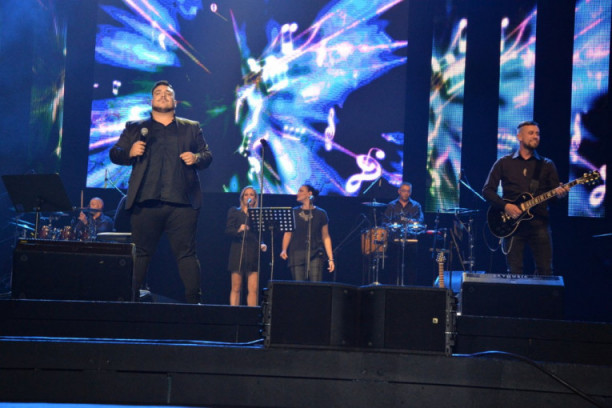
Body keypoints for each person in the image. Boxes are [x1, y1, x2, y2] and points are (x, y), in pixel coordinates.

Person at [109, 80, 212, 303]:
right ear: (151, 101)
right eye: (158, 93)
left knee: (186, 254)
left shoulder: (191, 127)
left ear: (175, 101)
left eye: (168, 93)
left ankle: (194, 306)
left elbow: (207, 156)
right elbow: (115, 152)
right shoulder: (135, 127)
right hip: (145, 202)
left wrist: (196, 158)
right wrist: (129, 152)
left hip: (182, 204)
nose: (163, 95)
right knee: (141, 254)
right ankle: (129, 303)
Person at [482, 120, 568, 275]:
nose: (535, 136)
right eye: (531, 133)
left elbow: (554, 199)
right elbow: (487, 191)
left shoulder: (547, 164)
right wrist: (506, 206)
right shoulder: (504, 163)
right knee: (514, 272)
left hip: (539, 224)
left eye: (537, 134)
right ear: (519, 137)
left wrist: (560, 194)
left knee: (545, 271)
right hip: (511, 226)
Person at [280, 184, 335, 281]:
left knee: (315, 286)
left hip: (316, 254)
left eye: (301, 191)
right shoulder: (293, 212)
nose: (298, 193)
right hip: (296, 254)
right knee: (299, 286)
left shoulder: (321, 213)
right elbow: (288, 233)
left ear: (309, 194)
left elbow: (326, 236)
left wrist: (330, 258)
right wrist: (284, 249)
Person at [225, 186, 267, 306]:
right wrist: (239, 229)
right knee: (236, 287)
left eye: (252, 195)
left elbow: (260, 234)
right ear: (242, 197)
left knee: (253, 289)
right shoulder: (235, 211)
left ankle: (251, 314)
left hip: (253, 252)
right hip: (238, 251)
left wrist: (262, 244)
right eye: (246, 194)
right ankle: (234, 312)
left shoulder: (258, 214)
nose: (249, 197)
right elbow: (228, 231)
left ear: (255, 198)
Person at [383, 182, 424, 285]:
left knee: (411, 268)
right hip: (394, 241)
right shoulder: (391, 205)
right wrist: (391, 227)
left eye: (408, 191)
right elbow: (385, 222)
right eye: (404, 191)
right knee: (393, 267)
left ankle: (409, 289)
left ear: (411, 192)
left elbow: (421, 221)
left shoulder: (416, 205)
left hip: (411, 240)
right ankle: (392, 288)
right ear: (399, 191)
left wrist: (413, 222)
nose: (406, 193)